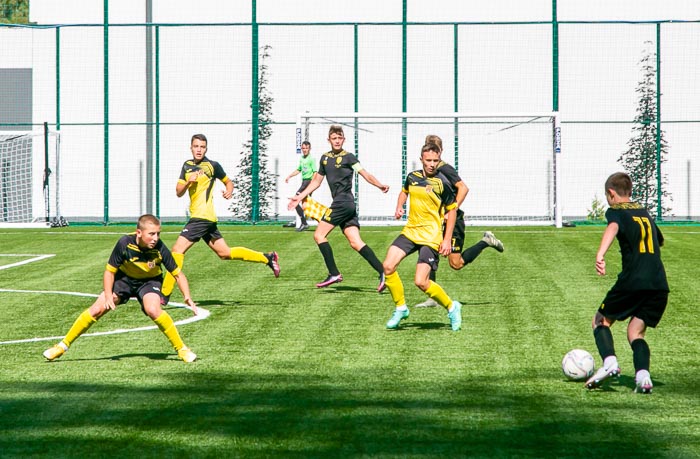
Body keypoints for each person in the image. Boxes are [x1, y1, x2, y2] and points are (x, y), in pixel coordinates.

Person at [43, 214, 199, 363]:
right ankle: (62, 346)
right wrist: (109, 296)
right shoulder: (124, 243)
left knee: (153, 309)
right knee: (97, 309)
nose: (155, 238)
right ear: (139, 232)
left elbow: (178, 274)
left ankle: (182, 349)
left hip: (149, 281)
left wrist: (187, 296)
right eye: (151, 234)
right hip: (124, 279)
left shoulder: (159, 247)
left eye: (158, 233)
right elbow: (109, 272)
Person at [161, 133, 280, 302]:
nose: (199, 150)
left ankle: (164, 294)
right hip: (204, 218)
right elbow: (178, 192)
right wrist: (189, 182)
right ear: (191, 148)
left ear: (206, 149)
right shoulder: (186, 166)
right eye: (196, 146)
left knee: (177, 250)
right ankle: (267, 258)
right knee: (225, 253)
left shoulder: (212, 166)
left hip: (202, 217)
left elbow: (228, 181)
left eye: (202, 147)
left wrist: (229, 190)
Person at [584, 172, 669, 393]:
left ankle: (610, 361)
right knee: (635, 332)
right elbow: (659, 240)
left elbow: (613, 226)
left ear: (611, 194)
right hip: (659, 283)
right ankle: (643, 376)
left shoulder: (616, 211)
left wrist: (600, 254)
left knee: (600, 320)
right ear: (629, 191)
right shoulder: (644, 212)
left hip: (633, 280)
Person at [288, 125, 389, 290]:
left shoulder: (349, 158)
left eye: (339, 138)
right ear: (329, 140)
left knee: (319, 235)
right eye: (334, 138)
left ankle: (334, 273)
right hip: (345, 205)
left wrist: (380, 185)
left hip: (343, 203)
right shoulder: (324, 159)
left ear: (344, 139)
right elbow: (316, 182)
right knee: (355, 242)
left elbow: (365, 174)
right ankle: (383, 272)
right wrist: (299, 196)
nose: (337, 141)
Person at [414, 134, 504, 308]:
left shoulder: (445, 168)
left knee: (456, 263)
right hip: (434, 221)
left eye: (436, 151)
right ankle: (432, 297)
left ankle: (486, 241)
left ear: (440, 152)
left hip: (453, 221)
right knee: (427, 252)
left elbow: (463, 188)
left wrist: (451, 210)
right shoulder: (426, 172)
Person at [383, 142, 462, 331]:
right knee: (388, 266)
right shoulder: (412, 177)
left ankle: (452, 307)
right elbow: (404, 192)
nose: (432, 164)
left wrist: (446, 239)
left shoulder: (443, 183)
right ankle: (401, 308)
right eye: (428, 160)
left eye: (436, 160)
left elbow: (452, 212)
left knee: (421, 281)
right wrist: (399, 206)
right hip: (411, 231)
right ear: (422, 160)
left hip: (431, 236)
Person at [284, 140, 317, 231]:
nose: (305, 150)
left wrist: (312, 184)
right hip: (304, 182)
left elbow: (315, 172)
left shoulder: (311, 159)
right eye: (303, 148)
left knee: (295, 201)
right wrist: (289, 176)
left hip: (308, 182)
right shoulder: (302, 159)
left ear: (309, 149)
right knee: (305, 205)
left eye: (306, 148)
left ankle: (304, 222)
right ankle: (306, 222)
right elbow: (299, 170)